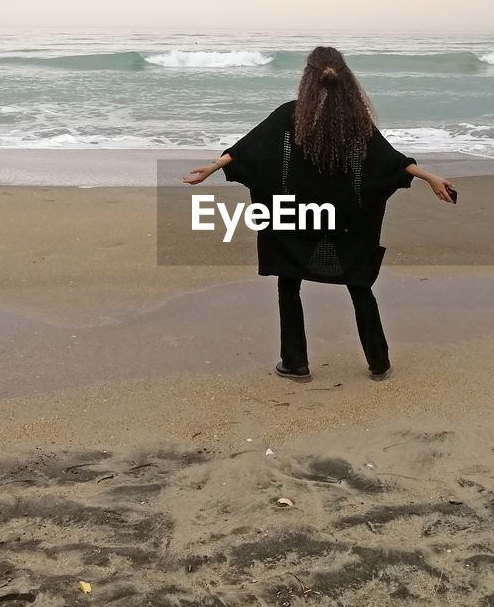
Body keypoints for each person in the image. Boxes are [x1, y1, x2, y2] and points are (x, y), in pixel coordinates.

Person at [184, 46, 455, 382]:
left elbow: (249, 151)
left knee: (289, 281)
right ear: (345, 78)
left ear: (308, 78)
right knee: (358, 284)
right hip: (345, 223)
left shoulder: (290, 115)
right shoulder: (356, 123)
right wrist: (430, 177)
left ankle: (295, 363)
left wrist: (213, 167)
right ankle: (379, 363)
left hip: (297, 219)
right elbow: (391, 162)